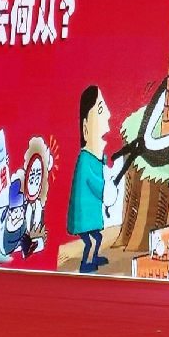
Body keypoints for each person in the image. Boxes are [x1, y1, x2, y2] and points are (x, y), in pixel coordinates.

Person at [66, 85, 115, 274]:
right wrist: (107, 189)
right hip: (83, 220)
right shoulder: (85, 159)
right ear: (85, 127)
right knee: (91, 241)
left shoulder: (95, 159)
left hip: (91, 218)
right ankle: (86, 264)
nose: (108, 115)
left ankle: (93, 258)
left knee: (97, 238)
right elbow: (95, 184)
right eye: (101, 110)